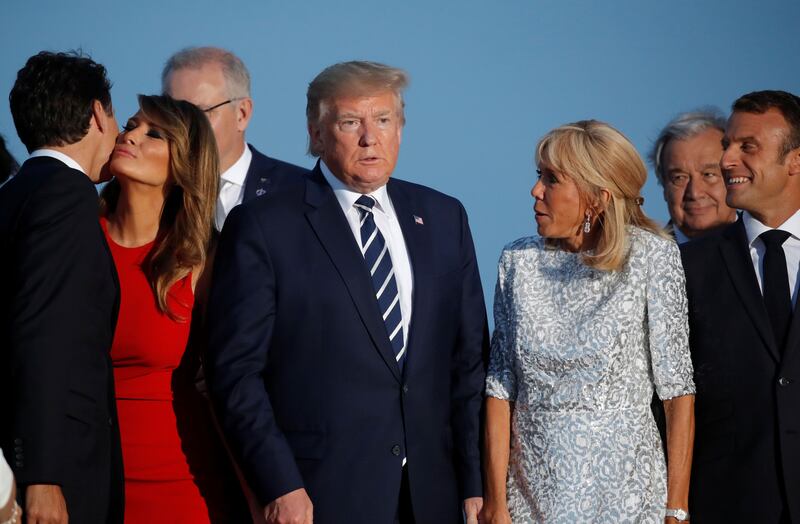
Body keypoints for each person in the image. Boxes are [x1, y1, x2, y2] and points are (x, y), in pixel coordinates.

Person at [206, 60, 488, 524]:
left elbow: (469, 363)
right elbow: (235, 372)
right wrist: (279, 484)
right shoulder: (264, 225)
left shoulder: (444, 217)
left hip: (435, 496)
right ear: (316, 135)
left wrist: (475, 484)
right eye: (351, 122)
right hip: (318, 496)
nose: (370, 137)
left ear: (401, 129)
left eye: (384, 120)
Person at [481, 120, 696, 523]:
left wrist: (677, 507)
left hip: (627, 500)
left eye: (552, 179)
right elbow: (500, 388)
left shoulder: (652, 257)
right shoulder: (517, 262)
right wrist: (496, 503)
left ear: (597, 197)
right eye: (539, 176)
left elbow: (677, 392)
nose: (536, 190)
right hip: (530, 499)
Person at [100, 94, 249, 523]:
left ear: (185, 163)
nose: (130, 137)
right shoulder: (75, 240)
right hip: (84, 478)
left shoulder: (202, 259)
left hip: (181, 483)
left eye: (154, 135)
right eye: (131, 125)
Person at [0, 50, 123, 524]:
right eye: (115, 116)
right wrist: (42, 475)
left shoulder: (14, 194)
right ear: (97, 114)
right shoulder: (67, 196)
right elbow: (42, 334)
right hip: (58, 475)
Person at [683, 90, 800, 523]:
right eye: (727, 145)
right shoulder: (686, 268)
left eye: (747, 146)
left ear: (796, 160)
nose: (727, 160)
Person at [162, 46, 309, 230]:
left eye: (199, 114)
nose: (184, 126)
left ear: (242, 114)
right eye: (173, 113)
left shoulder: (301, 191)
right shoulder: (150, 193)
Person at [649, 109, 737, 244]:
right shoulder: (641, 255)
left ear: (735, 177)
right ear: (664, 187)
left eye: (709, 175)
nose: (695, 193)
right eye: (679, 177)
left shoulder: (766, 246)